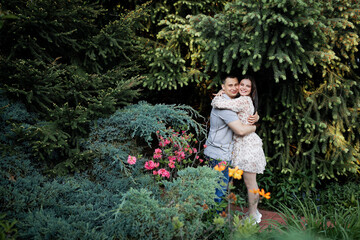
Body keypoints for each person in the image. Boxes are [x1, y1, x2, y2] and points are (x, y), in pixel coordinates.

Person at [211, 75, 266, 224]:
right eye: (241, 84)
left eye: (247, 86)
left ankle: (253, 215)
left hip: (247, 146)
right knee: (248, 183)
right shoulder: (244, 100)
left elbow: (221, 104)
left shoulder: (243, 100)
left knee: (250, 183)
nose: (242, 88)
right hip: (242, 144)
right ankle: (253, 212)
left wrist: (218, 97)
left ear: (252, 90)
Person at [204, 75, 259, 205]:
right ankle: (216, 222)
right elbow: (240, 130)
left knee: (221, 189)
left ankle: (220, 219)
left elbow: (246, 111)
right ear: (223, 87)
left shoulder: (234, 102)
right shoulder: (224, 107)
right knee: (219, 192)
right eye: (230, 85)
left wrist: (256, 117)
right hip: (219, 154)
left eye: (236, 84)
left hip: (223, 151)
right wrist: (254, 127)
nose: (234, 88)